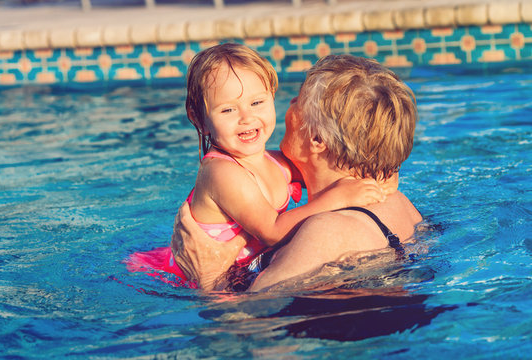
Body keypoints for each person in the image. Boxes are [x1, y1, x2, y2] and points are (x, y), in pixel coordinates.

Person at [127, 44, 386, 288]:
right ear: (200, 120)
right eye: (228, 110)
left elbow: (327, 170)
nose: (246, 117)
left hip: (239, 270)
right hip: (185, 278)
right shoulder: (222, 172)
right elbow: (272, 231)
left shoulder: (274, 161)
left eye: (257, 102)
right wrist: (338, 197)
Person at [171, 54, 421, 292]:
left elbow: (245, 321)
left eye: (297, 101)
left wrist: (208, 277)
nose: (288, 106)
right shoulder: (399, 203)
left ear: (317, 139)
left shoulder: (322, 232)